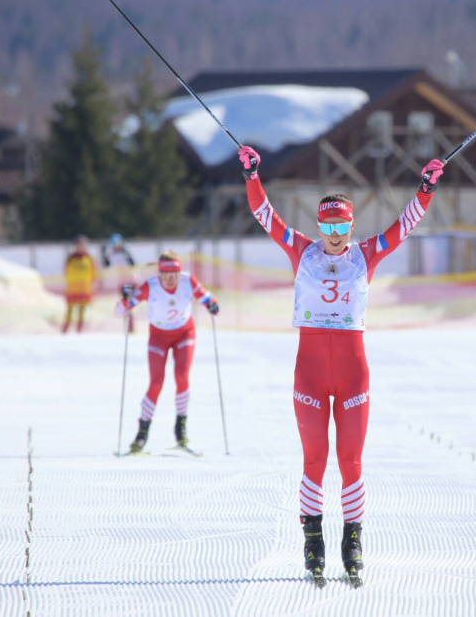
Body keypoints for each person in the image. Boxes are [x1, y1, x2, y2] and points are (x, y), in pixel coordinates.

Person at [239, 143, 442, 586]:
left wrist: (424, 189)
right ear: (319, 225)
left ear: (351, 224)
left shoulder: (365, 255)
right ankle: (313, 541)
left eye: (341, 224)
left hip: (353, 374)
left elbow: (403, 227)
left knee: (351, 460)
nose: (334, 232)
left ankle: (353, 541)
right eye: (327, 224)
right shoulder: (301, 251)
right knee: (315, 459)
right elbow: (264, 216)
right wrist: (253, 176)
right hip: (309, 371)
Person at [117, 250, 219, 454]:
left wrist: (212, 305)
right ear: (160, 274)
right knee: (156, 383)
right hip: (158, 337)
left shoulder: (188, 281)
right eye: (166, 276)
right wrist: (125, 297)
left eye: (174, 275)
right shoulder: (150, 286)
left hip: (184, 333)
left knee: (182, 377)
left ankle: (181, 429)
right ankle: (142, 434)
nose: (170, 280)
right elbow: (120, 310)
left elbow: (207, 297)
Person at [102, 233, 137, 333]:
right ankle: (128, 328)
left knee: (130, 305)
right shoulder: (111, 254)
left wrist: (126, 253)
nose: (115, 245)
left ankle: (131, 328)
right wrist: (105, 254)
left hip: (130, 281)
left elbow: (133, 263)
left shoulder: (125, 252)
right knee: (125, 305)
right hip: (121, 282)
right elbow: (106, 265)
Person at [62, 236, 96, 333]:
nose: (80, 247)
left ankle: (79, 331)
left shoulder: (89, 258)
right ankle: (64, 331)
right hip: (72, 289)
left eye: (82, 245)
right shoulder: (70, 258)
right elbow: (66, 272)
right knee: (70, 311)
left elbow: (93, 273)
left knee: (82, 312)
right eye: (78, 245)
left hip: (84, 289)